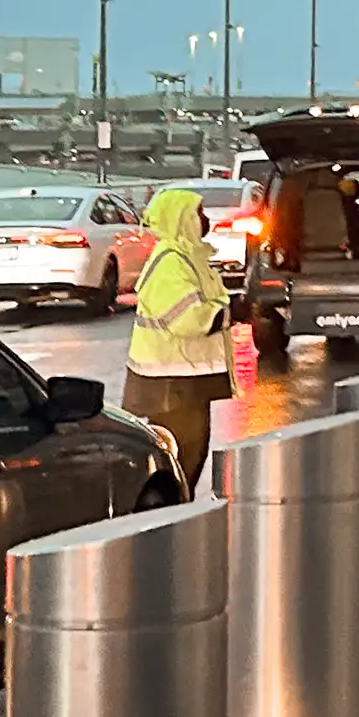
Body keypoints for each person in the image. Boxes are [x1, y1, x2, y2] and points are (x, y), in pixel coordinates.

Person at [123, 184, 234, 495]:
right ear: (182, 219)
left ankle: (178, 513)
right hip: (172, 384)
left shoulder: (187, 257)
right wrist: (231, 312)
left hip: (184, 379)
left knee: (191, 457)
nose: (205, 219)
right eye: (199, 213)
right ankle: (174, 518)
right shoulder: (170, 262)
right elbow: (187, 320)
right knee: (182, 460)